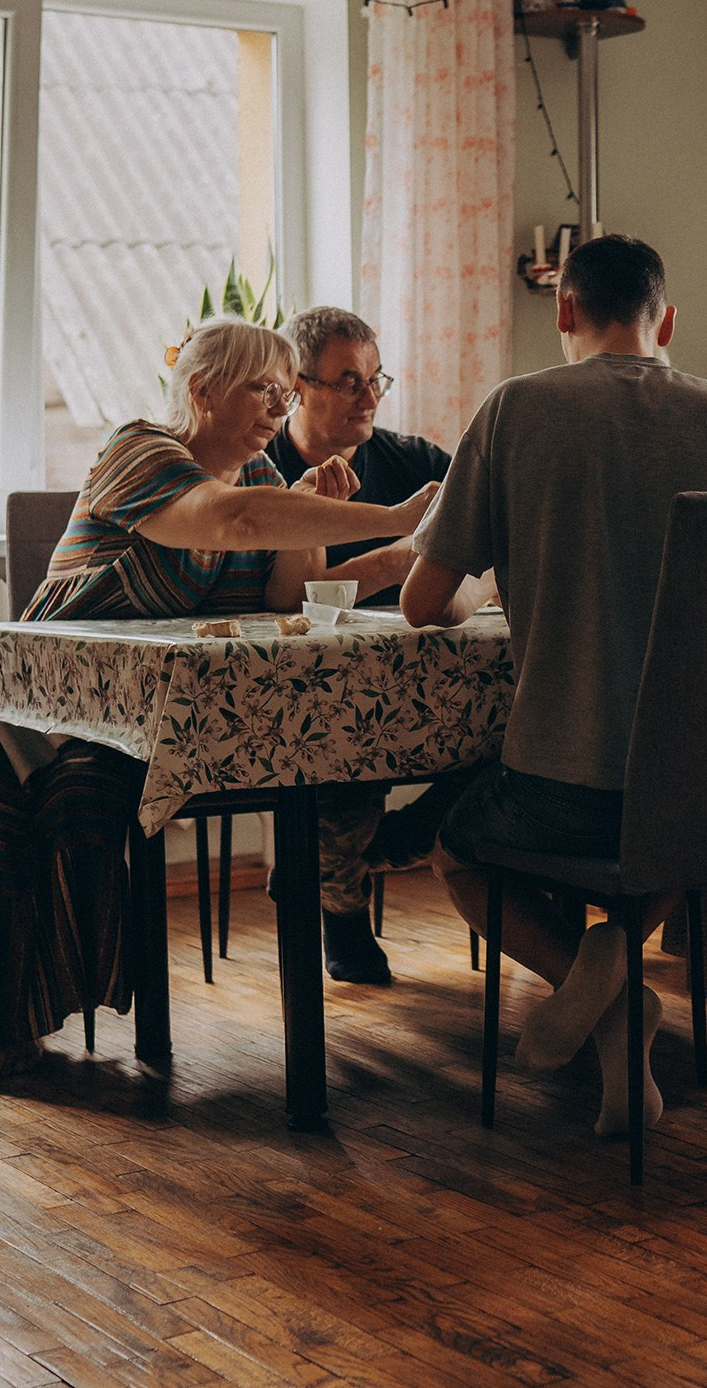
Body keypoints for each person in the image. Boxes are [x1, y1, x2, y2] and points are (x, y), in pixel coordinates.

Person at [0, 317, 436, 1080]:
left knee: (85, 800)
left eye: (286, 394)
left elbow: (292, 593)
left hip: (142, 721)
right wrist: (393, 518)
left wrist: (310, 514)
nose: (279, 409)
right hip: (49, 704)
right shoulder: (140, 449)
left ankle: (36, 1013)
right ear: (201, 390)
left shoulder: (259, 478)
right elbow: (228, 522)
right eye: (264, 390)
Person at [400, 234, 707, 1136]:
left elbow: (423, 601)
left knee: (456, 850)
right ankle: (615, 976)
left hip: (561, 790)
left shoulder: (513, 411)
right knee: (673, 844)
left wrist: (483, 597)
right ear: (669, 321)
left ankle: (599, 989)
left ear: (564, 310)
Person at [265, 305, 465, 985]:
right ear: (298, 385)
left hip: (426, 681)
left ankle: (388, 845)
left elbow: (480, 542)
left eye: (377, 378)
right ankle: (339, 899)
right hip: (309, 698)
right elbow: (277, 606)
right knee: (346, 727)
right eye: (349, 381)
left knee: (516, 722)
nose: (370, 396)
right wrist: (388, 562)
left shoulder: (415, 462)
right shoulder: (260, 471)